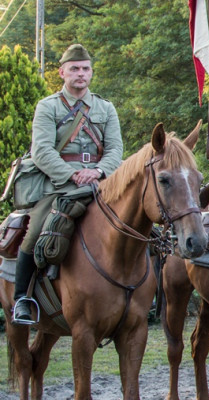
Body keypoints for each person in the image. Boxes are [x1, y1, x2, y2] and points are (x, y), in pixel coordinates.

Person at [13, 44, 123, 324]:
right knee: (36, 230)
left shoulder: (105, 108)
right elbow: (42, 151)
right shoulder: (48, 107)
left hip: (100, 186)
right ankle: (22, 299)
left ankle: (140, 290)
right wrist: (72, 175)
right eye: (74, 69)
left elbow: (115, 151)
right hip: (59, 186)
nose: (81, 74)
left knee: (136, 225)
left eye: (85, 69)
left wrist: (98, 170)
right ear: (62, 72)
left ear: (91, 73)